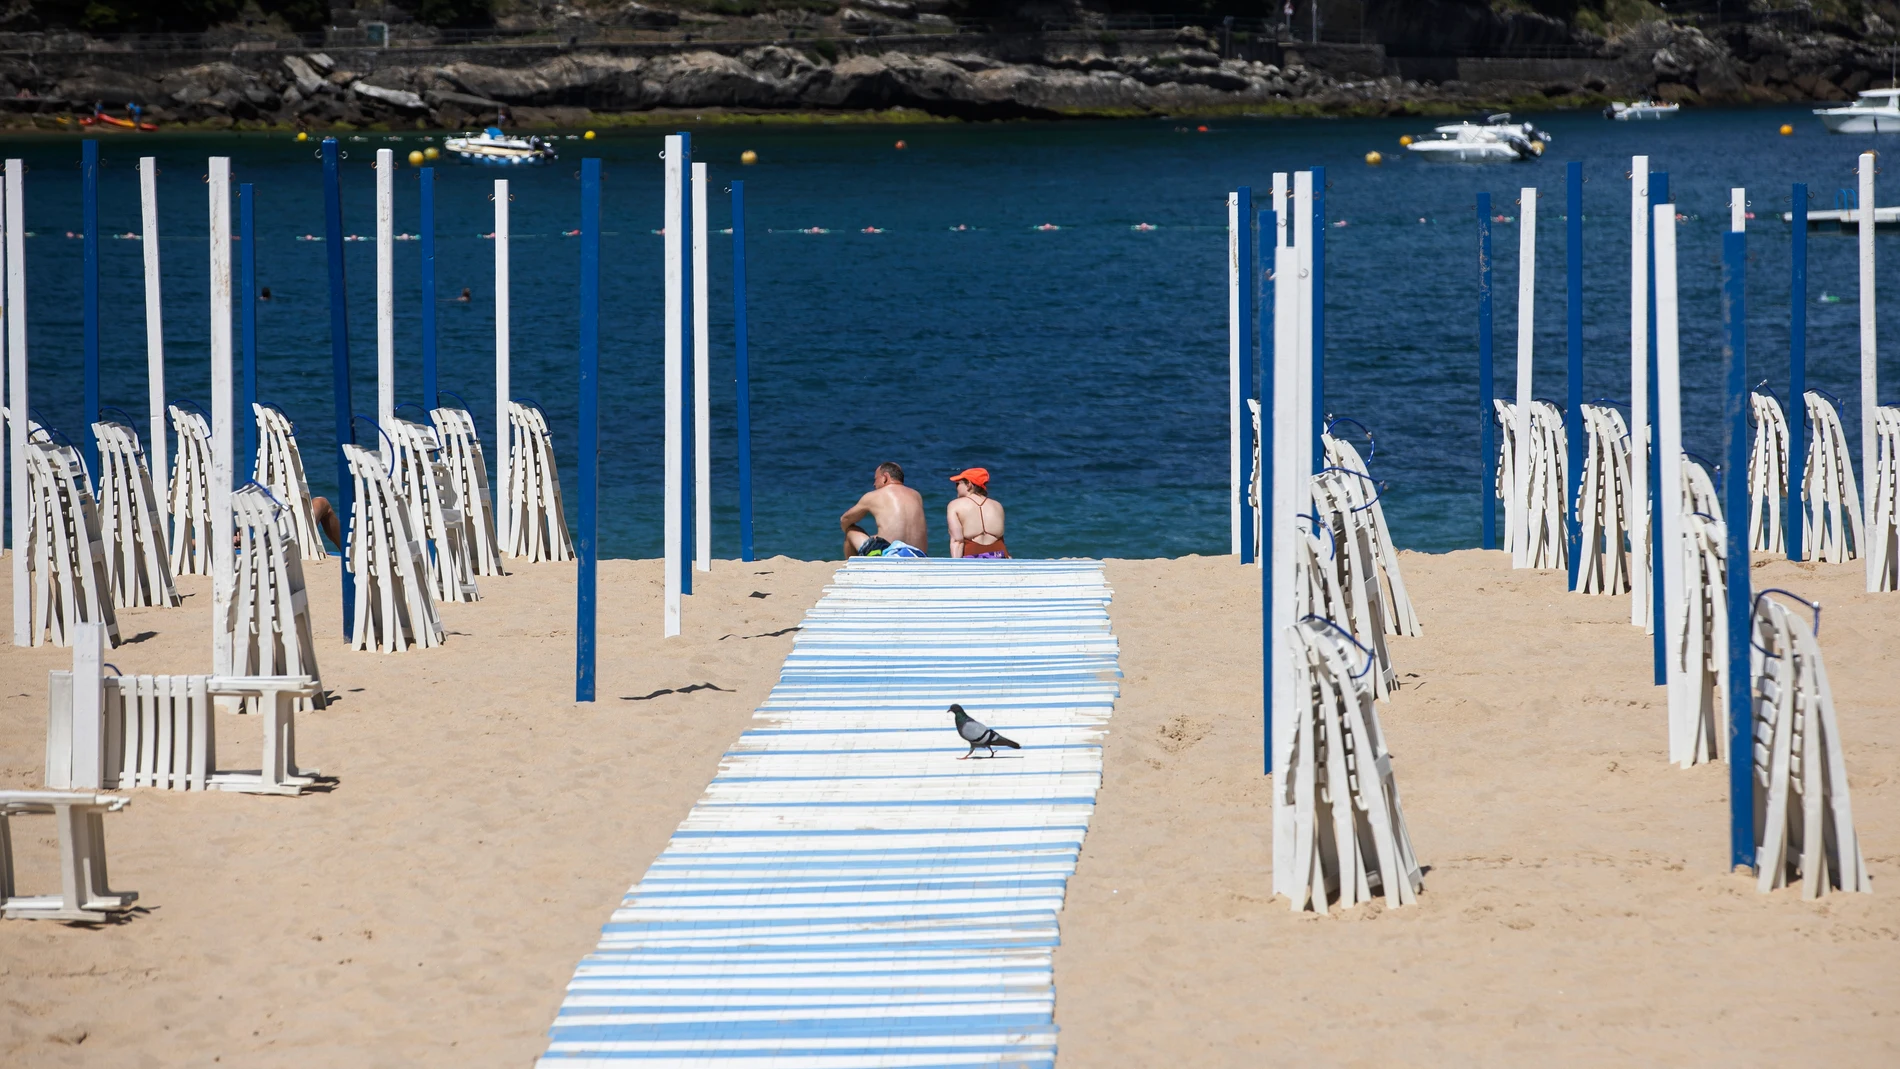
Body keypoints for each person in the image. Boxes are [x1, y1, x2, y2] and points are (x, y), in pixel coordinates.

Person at [840, 461, 927, 558]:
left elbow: (845, 519)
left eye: (876, 479)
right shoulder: (916, 495)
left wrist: (845, 528)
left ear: (885, 477)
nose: (874, 484)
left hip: (889, 556)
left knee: (851, 530)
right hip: (918, 555)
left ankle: (852, 568)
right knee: (876, 538)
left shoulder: (874, 496)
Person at [946, 467, 1007, 558]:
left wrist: (955, 566)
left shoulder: (955, 505)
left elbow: (957, 541)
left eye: (958, 484)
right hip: (999, 556)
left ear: (969, 484)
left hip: (971, 556)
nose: (956, 488)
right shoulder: (997, 505)